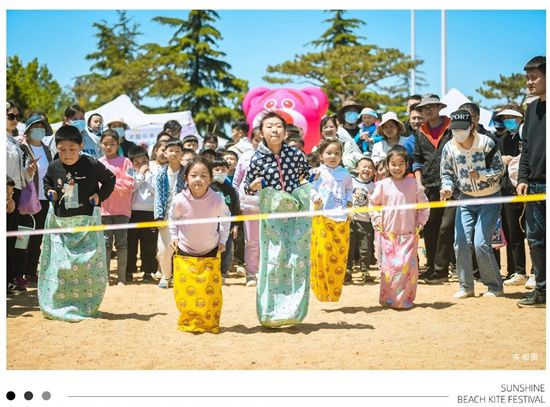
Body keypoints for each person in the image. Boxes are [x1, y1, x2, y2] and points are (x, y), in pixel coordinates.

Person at [40, 124, 115, 321]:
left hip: (87, 221)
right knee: (60, 268)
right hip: (60, 223)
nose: (67, 154)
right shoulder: (54, 166)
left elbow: (110, 180)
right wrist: (50, 192)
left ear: (81, 146)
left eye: (72, 149)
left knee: (87, 266)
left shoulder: (91, 164)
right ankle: (57, 304)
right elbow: (47, 182)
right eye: (62, 150)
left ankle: (86, 306)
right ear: (56, 148)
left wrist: (99, 196)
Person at [244, 112, 312, 327]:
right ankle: (270, 312)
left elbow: (306, 175)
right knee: (274, 258)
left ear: (285, 130)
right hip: (272, 214)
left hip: (296, 213)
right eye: (269, 126)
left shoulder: (296, 154)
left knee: (296, 259)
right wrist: (253, 186)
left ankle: (293, 310)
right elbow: (247, 185)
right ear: (261, 132)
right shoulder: (256, 158)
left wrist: (311, 180)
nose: (274, 130)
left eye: (279, 126)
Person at [440, 110, 505, 299]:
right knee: (460, 242)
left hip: (490, 199)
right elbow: (446, 173)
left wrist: (482, 175)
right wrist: (447, 188)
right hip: (465, 199)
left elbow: (500, 169)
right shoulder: (449, 148)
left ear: (472, 126)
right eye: (454, 129)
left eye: (462, 129)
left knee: (481, 243)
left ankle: (494, 286)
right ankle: (466, 286)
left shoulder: (486, 142)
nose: (458, 133)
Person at [169, 157, 231, 333]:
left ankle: (209, 322)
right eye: (194, 175)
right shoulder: (180, 199)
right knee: (185, 291)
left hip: (210, 250)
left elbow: (226, 220)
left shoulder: (217, 199)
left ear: (210, 179)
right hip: (185, 250)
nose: (198, 179)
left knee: (210, 291)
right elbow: (172, 218)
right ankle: (188, 320)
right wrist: (174, 236)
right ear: (186, 178)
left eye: (204, 175)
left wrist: (222, 240)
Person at [369, 145, 429, 309]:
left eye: (401, 163)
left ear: (407, 164)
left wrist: (420, 222)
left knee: (406, 270)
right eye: (393, 164)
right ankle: (387, 298)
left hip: (409, 234)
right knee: (389, 269)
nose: (397, 167)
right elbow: (373, 204)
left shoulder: (413, 184)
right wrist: (377, 220)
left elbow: (424, 205)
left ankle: (404, 300)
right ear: (387, 165)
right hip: (389, 234)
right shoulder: (382, 184)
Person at [412, 94, 455, 284]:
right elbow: (417, 160)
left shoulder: (452, 127)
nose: (427, 110)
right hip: (428, 185)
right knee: (429, 229)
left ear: (439, 107)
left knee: (446, 228)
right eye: (424, 108)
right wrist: (419, 183)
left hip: (451, 185)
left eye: (431, 106)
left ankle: (441, 270)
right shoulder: (420, 131)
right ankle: (431, 268)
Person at [517, 56, 546, 308]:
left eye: (534, 77)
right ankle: (542, 290)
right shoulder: (531, 109)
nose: (529, 82)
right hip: (534, 186)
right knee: (535, 240)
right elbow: (525, 149)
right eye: (527, 77)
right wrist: (522, 178)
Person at [310, 139, 353, 301]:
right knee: (322, 254)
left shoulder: (345, 173)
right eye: (329, 153)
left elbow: (349, 189)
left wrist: (349, 200)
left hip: (341, 218)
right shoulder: (316, 172)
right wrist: (315, 197)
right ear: (321, 155)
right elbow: (310, 188)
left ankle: (334, 292)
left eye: (337, 153)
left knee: (339, 255)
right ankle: (321, 291)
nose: (333, 156)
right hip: (322, 217)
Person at [493, 106, 530, 288]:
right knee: (508, 231)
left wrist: (514, 159)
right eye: (505, 117)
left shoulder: (526, 135)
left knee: (519, 232)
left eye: (511, 117)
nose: (507, 120)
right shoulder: (502, 139)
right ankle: (512, 270)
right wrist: (502, 159)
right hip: (504, 189)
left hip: (520, 189)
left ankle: (522, 270)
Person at [16, 113, 55, 284]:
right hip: (26, 199)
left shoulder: (48, 150)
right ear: (29, 130)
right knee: (22, 237)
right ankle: (17, 273)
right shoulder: (21, 148)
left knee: (38, 238)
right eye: (35, 127)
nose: (39, 130)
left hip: (44, 200)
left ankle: (31, 272)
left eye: (41, 127)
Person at [98, 129, 135, 285]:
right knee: (105, 245)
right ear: (100, 145)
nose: (108, 147)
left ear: (118, 144)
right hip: (104, 210)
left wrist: (110, 182)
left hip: (122, 210)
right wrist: (115, 182)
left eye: (112, 144)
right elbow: (96, 186)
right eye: (105, 144)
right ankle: (105, 278)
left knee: (121, 244)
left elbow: (131, 184)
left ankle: (121, 278)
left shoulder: (126, 162)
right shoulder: (98, 163)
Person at [6, 102, 34, 292]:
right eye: (10, 116)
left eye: (17, 116)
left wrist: (28, 172)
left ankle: (9, 279)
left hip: (14, 191)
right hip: (6, 192)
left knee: (10, 239)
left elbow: (17, 173)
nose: (15, 120)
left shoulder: (13, 141)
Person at [232, 126, 262, 287]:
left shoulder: (276, 157)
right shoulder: (245, 157)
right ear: (252, 140)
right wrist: (239, 202)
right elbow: (236, 182)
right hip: (249, 205)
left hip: (271, 206)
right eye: (257, 140)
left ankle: (266, 272)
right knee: (251, 241)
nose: (260, 143)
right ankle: (251, 272)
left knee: (270, 240)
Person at [154, 139, 186, 289]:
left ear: (182, 154)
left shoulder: (187, 173)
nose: (174, 154)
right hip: (166, 217)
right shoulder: (161, 175)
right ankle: (166, 277)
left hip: (186, 218)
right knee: (164, 249)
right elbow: (158, 197)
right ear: (165, 153)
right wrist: (159, 216)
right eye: (171, 150)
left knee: (185, 249)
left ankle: (183, 277)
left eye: (177, 151)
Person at [126, 146, 158, 283]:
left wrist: (148, 175)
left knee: (149, 245)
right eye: (137, 162)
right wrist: (139, 175)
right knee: (130, 244)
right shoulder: (129, 172)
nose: (141, 165)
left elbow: (156, 190)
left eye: (144, 160)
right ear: (131, 163)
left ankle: (148, 271)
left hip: (150, 212)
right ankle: (129, 271)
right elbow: (130, 188)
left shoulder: (154, 171)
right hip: (131, 212)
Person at [210, 157, 241, 283]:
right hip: (211, 225)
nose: (220, 172)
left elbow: (236, 208)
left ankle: (223, 272)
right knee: (211, 248)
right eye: (216, 169)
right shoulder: (209, 188)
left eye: (223, 169)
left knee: (227, 248)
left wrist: (235, 225)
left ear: (228, 170)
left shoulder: (231, 189)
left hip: (227, 225)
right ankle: (211, 271)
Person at [347, 157, 376, 282]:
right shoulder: (351, 182)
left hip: (366, 221)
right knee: (350, 246)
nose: (367, 169)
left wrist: (372, 198)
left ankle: (365, 271)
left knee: (365, 248)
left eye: (370, 167)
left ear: (374, 171)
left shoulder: (374, 186)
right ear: (357, 169)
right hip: (351, 220)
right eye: (364, 166)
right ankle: (348, 270)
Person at [335, 100, 365, 170]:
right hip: (344, 169)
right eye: (349, 111)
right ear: (343, 115)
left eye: (355, 111)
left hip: (363, 169)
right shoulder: (338, 132)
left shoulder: (363, 131)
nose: (353, 113)